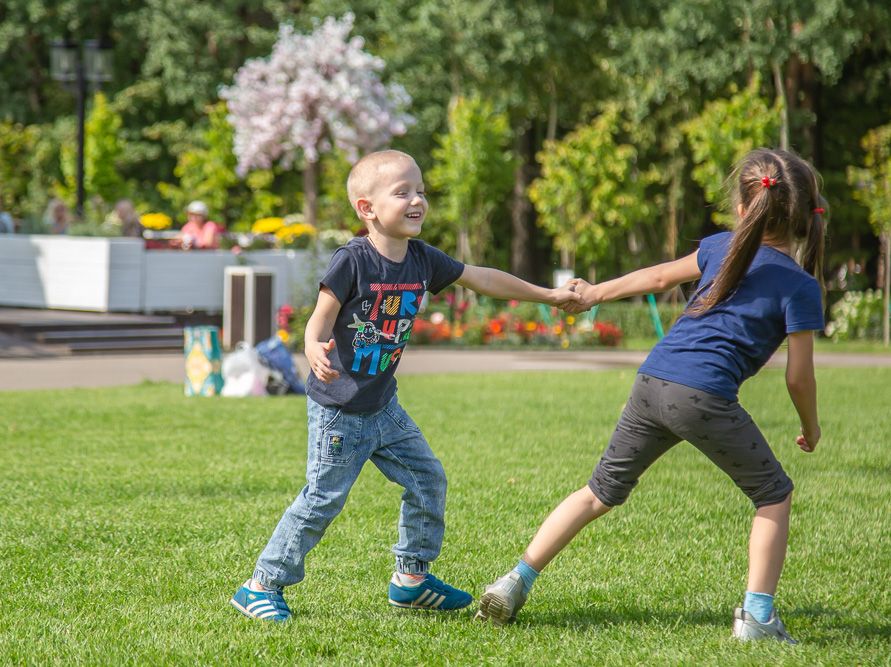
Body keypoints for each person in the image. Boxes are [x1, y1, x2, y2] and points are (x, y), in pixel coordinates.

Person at [474, 148, 827, 645]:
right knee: (774, 495)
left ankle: (514, 581)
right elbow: (798, 378)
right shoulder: (799, 284)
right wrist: (811, 427)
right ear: (807, 217)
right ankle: (757, 619)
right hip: (702, 397)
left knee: (597, 493)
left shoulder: (717, 246)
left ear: (744, 207)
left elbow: (657, 277)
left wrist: (594, 293)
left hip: (651, 380)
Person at [230, 149, 582, 622]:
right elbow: (319, 322)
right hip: (340, 410)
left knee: (427, 478)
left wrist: (548, 295)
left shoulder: (422, 260)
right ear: (367, 208)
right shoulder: (351, 261)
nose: (417, 199)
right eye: (403, 192)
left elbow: (482, 279)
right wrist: (313, 347)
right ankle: (260, 585)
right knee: (321, 499)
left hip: (383, 407)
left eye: (421, 190)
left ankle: (410, 580)